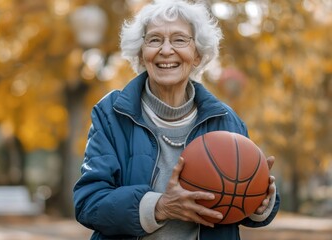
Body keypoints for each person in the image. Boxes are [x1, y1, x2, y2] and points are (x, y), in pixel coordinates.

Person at [73, 0, 280, 239]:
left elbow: (241, 210)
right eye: (154, 40)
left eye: (180, 40)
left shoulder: (226, 120)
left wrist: (260, 199)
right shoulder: (111, 114)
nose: (166, 50)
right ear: (141, 54)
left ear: (197, 56)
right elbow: (89, 202)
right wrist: (159, 207)